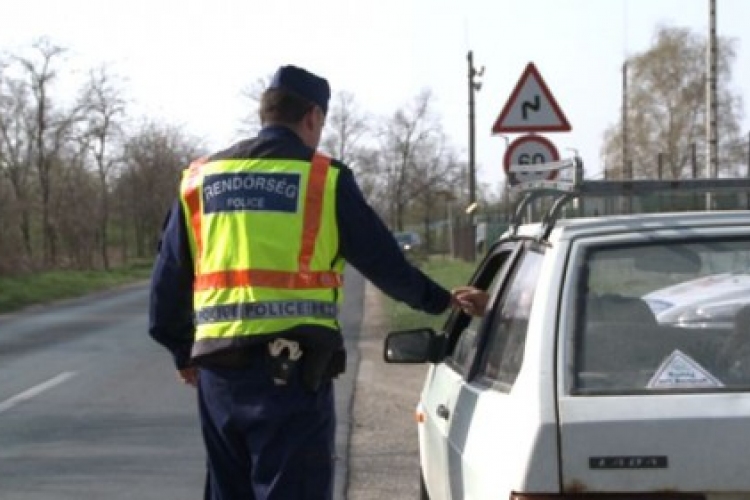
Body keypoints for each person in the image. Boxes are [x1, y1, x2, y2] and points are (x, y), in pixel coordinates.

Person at [148, 64, 486, 500]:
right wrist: (442, 301)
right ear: (312, 117)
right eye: (320, 125)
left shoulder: (200, 179)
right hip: (292, 377)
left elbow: (167, 284)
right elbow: (384, 263)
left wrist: (182, 350)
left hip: (219, 380)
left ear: (266, 113)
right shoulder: (323, 179)